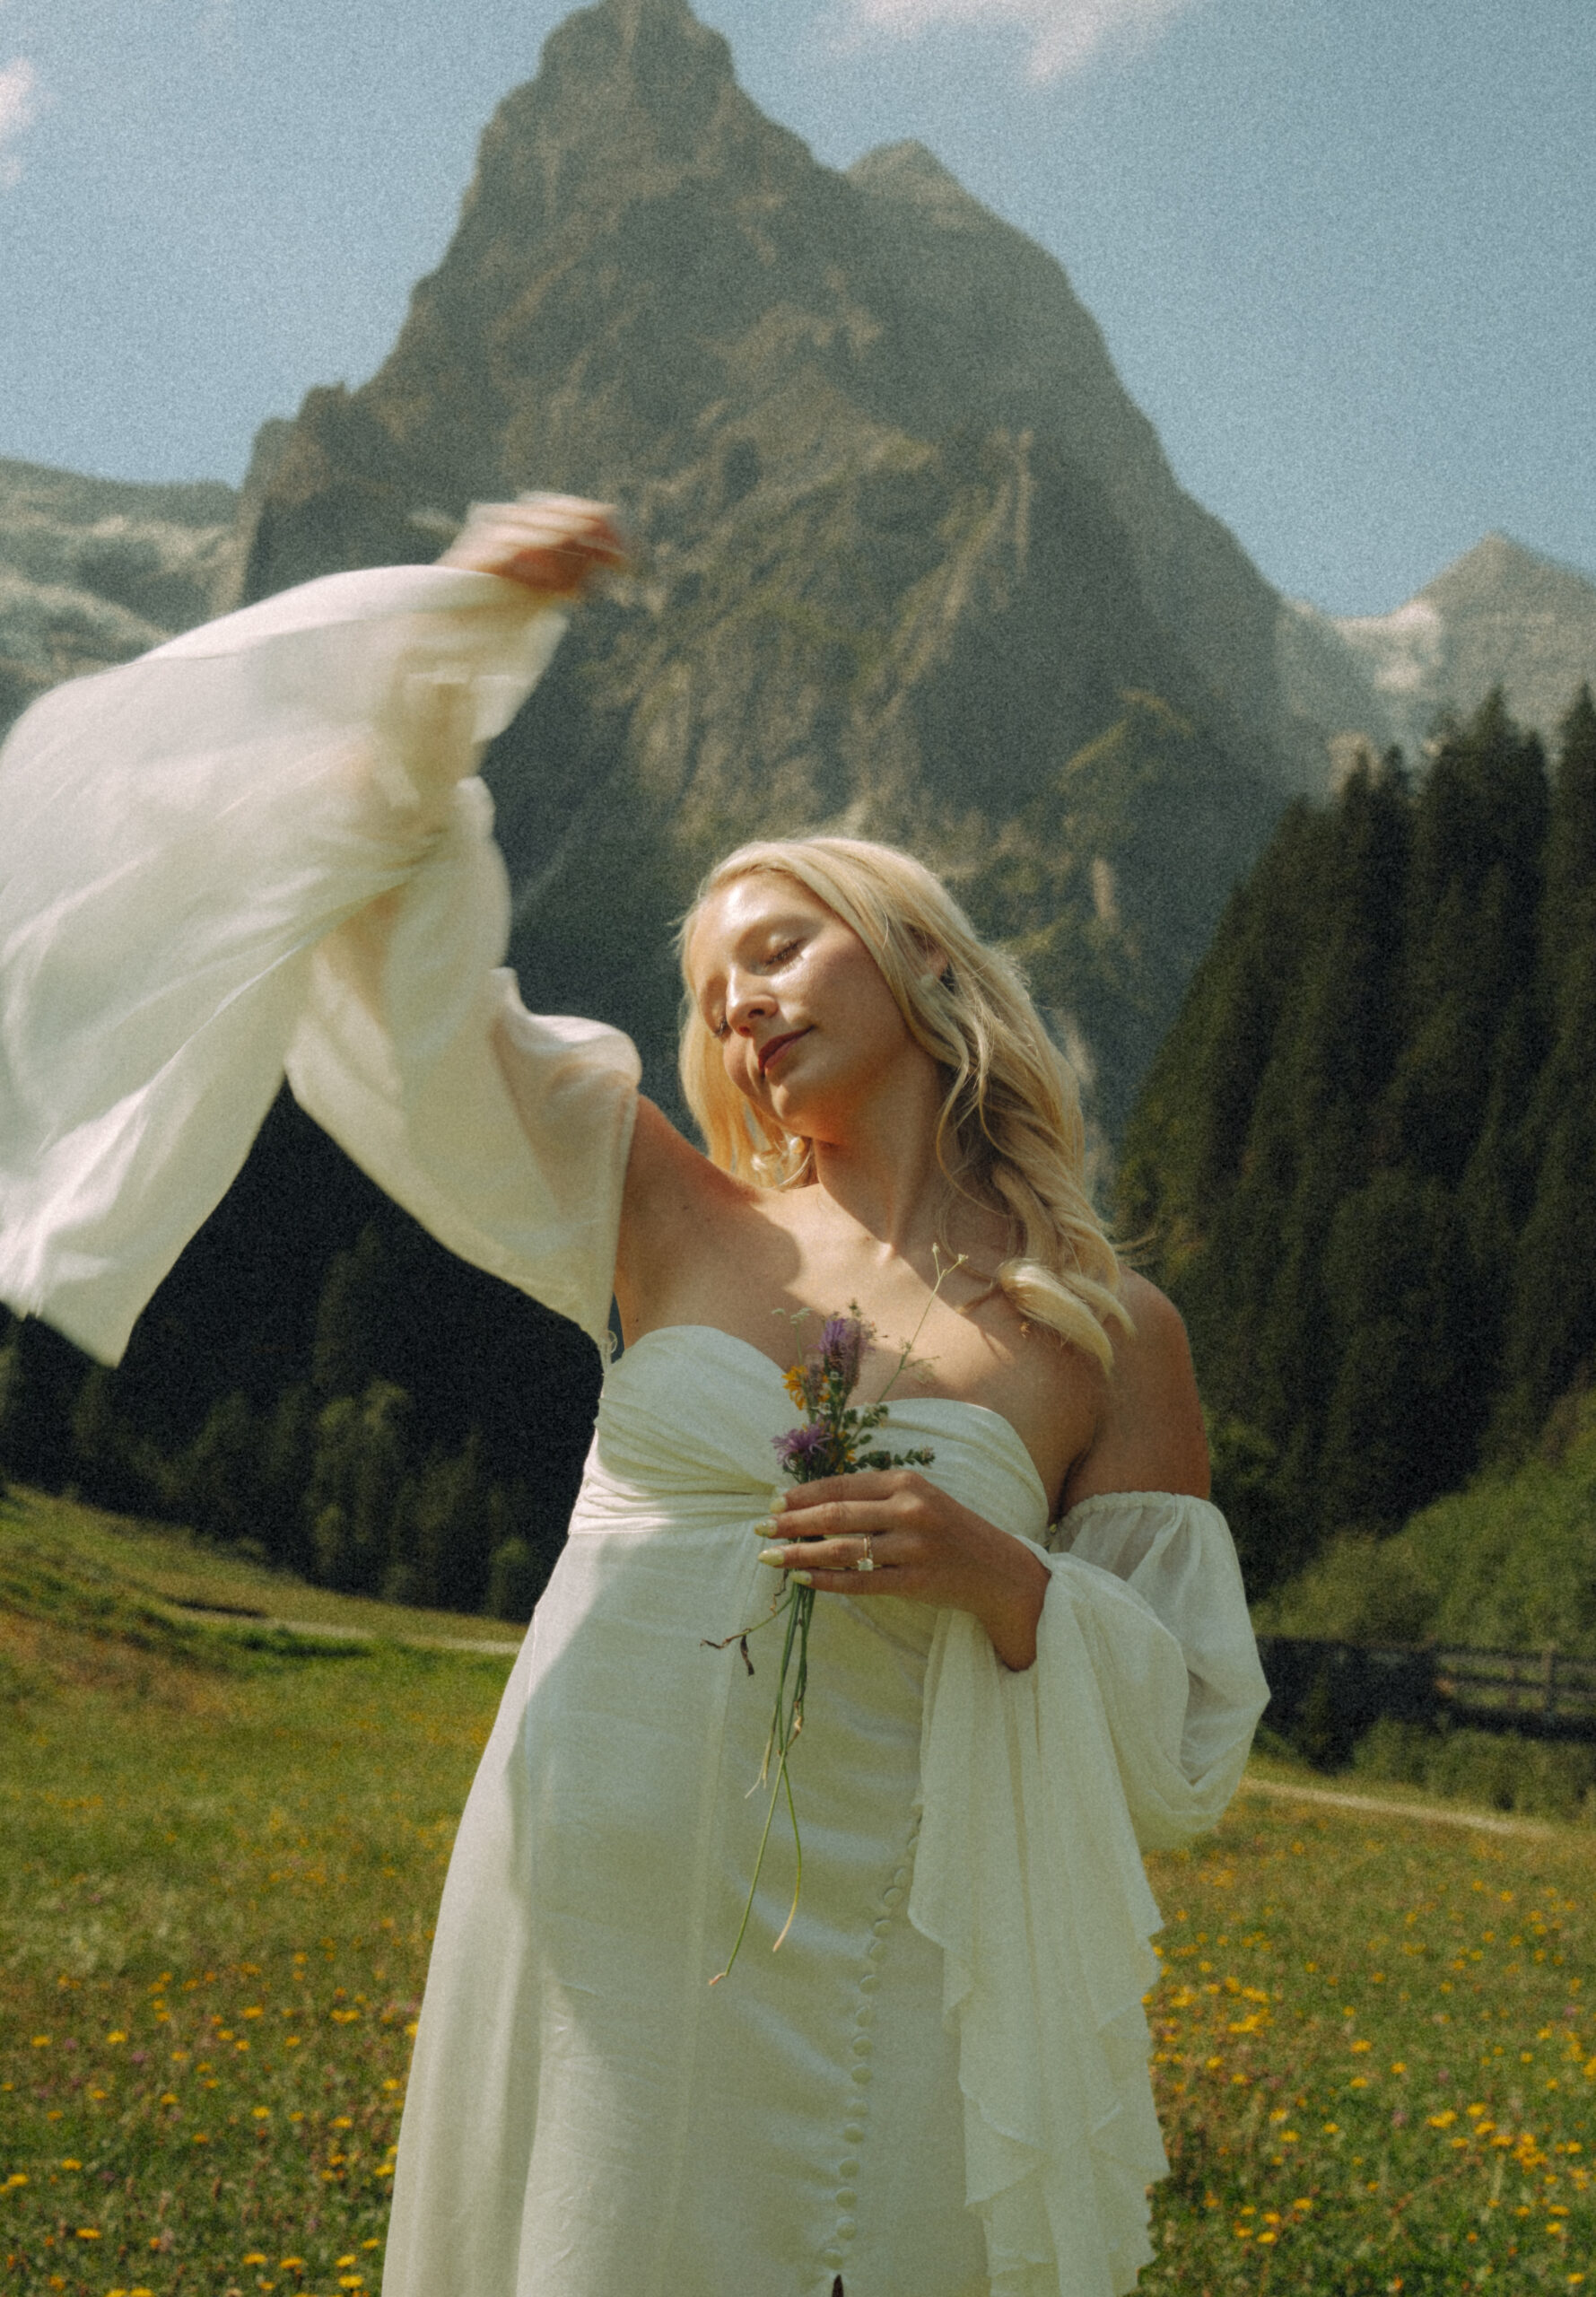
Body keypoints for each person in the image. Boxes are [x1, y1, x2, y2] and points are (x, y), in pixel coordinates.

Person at [0, 495, 1269, 2297]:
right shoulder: (667, 1204)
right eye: (709, 986)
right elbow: (415, 990)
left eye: (779, 946)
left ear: (917, 961)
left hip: (893, 1905)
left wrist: (1005, 1578)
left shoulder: (1109, 1330)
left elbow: (1189, 1731)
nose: (739, 1005)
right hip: (598, 1869)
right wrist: (453, 650)